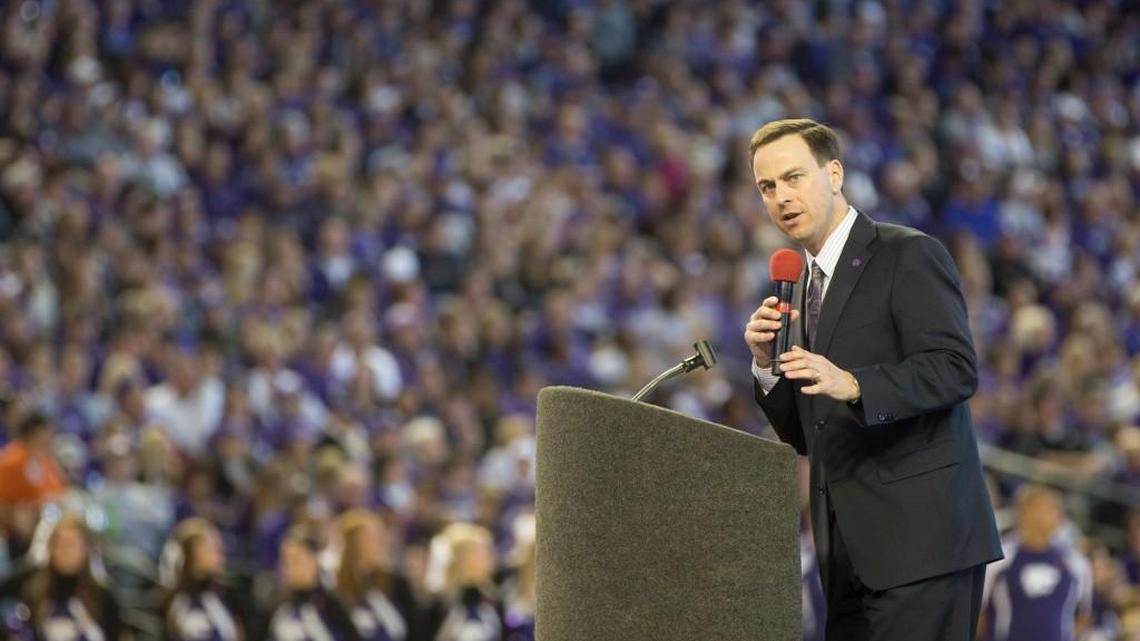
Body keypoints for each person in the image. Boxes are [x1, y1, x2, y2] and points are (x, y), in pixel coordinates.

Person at [743, 118, 1002, 640]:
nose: (780, 197)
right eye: (767, 187)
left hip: (922, 548)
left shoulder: (907, 253)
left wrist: (857, 384)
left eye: (793, 177)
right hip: (846, 560)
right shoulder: (798, 285)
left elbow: (955, 368)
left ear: (834, 173)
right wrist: (766, 368)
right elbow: (808, 433)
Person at [977, 485, 1091, 641]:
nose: (1051, 515)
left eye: (1054, 510)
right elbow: (979, 614)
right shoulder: (999, 559)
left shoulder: (1076, 564)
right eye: (1041, 508)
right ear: (1022, 513)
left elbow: (1082, 616)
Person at [0, 513, 123, 641]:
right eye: (61, 544)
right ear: (51, 548)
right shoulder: (33, 583)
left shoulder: (101, 596)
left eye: (73, 545)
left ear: (85, 550)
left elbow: (116, 634)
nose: (67, 552)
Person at [258, 525, 361, 641]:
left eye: (296, 560)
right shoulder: (276, 605)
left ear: (313, 560)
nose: (289, 567)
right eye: (285, 560)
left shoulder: (331, 605)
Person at [332, 510, 414, 641]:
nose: (381, 544)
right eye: (372, 539)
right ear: (353, 545)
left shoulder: (397, 583)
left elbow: (414, 628)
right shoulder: (335, 588)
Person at [160, 518, 244, 641]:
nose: (221, 551)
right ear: (194, 555)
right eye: (213, 547)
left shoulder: (220, 596)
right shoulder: (185, 605)